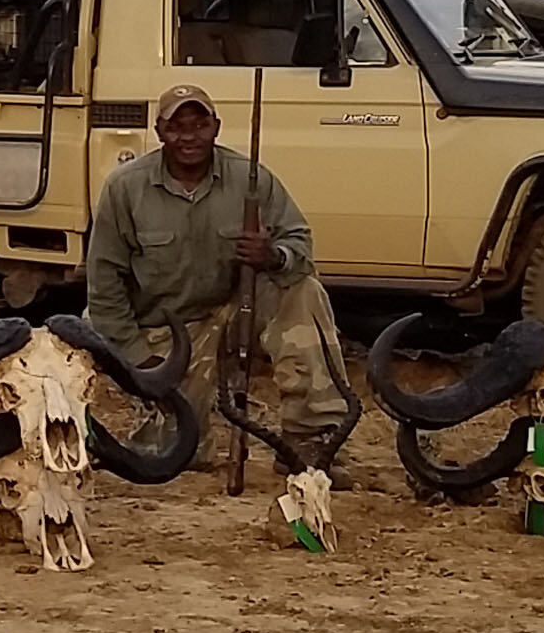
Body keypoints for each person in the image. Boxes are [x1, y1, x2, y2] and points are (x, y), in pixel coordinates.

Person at [83, 83, 353, 468]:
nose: (189, 137)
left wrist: (272, 255)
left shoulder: (251, 178)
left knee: (302, 289)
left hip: (239, 308)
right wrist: (140, 359)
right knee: (178, 455)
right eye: (176, 127)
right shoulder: (124, 188)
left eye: (200, 125)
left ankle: (312, 437)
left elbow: (299, 243)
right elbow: (104, 287)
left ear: (216, 127)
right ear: (159, 132)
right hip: (169, 328)